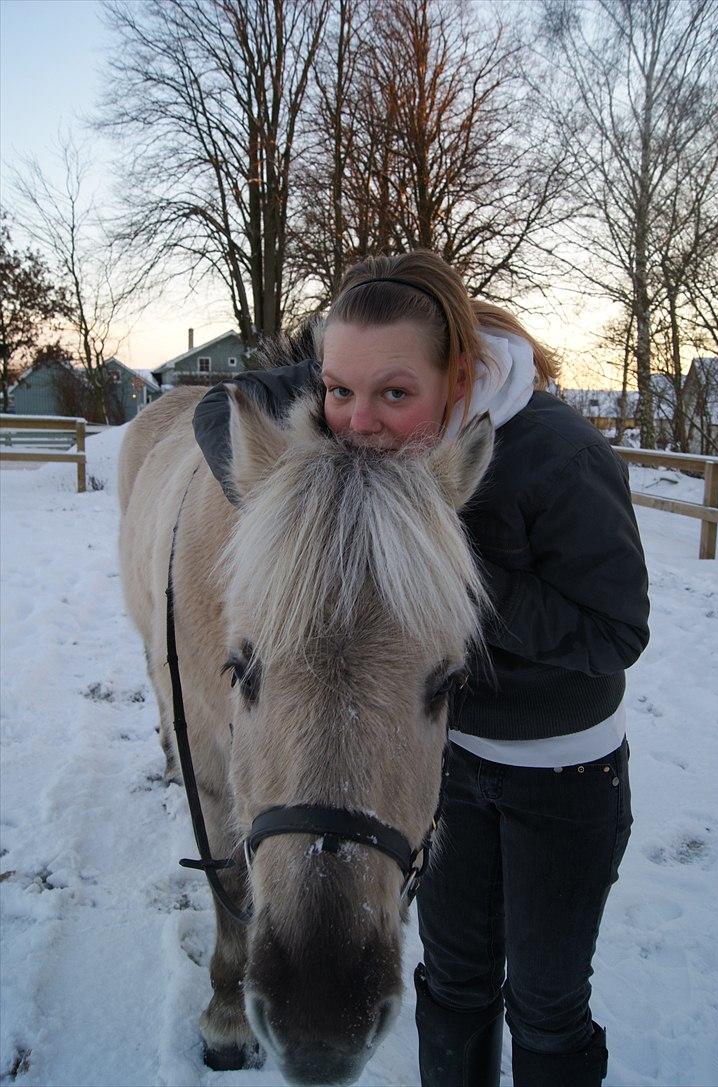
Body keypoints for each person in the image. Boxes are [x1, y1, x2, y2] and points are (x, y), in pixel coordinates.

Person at [192, 249, 650, 1087]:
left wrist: (445, 573)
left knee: (546, 1001)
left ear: (457, 375)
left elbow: (614, 629)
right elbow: (227, 414)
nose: (358, 423)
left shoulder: (559, 454)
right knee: (452, 980)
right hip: (445, 763)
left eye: (394, 393)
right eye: (339, 391)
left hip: (562, 771)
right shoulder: (362, 413)